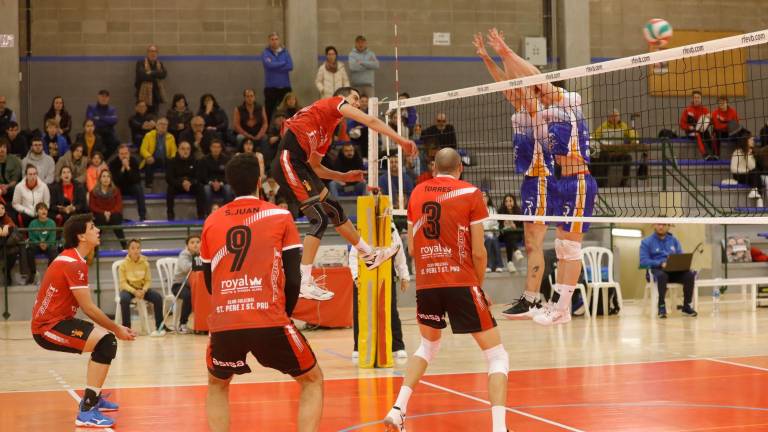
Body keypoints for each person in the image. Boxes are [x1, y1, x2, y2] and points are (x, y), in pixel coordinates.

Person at [383, 148, 508, 432]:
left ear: (433, 167)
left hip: (427, 282)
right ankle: (499, 428)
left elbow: (413, 248)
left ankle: (398, 409)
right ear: (460, 168)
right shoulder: (471, 193)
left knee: (428, 345)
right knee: (497, 355)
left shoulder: (416, 193)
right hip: (461, 281)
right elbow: (479, 252)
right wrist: (478, 287)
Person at [201, 153, 323, 432]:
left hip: (226, 321)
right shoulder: (280, 215)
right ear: (259, 181)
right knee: (312, 380)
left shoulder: (211, 221)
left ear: (229, 184)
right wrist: (284, 315)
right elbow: (294, 278)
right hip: (269, 318)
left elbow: (210, 281)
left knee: (218, 384)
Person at [271, 87, 417, 301]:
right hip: (287, 160)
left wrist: (344, 176)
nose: (357, 104)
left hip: (301, 165)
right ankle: (304, 281)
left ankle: (368, 255)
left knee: (334, 210)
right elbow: (372, 122)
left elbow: (316, 167)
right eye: (355, 99)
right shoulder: (334, 103)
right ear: (343, 97)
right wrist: (401, 141)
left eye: (358, 101)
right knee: (319, 219)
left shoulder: (327, 131)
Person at [30, 214, 136, 428]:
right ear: (81, 236)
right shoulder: (73, 263)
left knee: (104, 342)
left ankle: (93, 398)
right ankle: (86, 411)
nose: (97, 230)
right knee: (107, 341)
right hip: (47, 328)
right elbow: (88, 308)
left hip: (57, 322)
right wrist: (117, 329)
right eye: (92, 227)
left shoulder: (73, 258)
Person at [349, 223, 408, 360]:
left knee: (390, 310)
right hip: (363, 275)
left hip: (386, 273)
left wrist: (404, 275)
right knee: (361, 311)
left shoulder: (391, 229)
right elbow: (353, 256)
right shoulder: (363, 226)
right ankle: (359, 347)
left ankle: (397, 346)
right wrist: (356, 276)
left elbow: (399, 254)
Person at [639, 224, 698, 318]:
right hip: (656, 270)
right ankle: (661, 306)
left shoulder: (674, 240)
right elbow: (643, 261)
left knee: (689, 275)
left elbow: (680, 256)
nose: (661, 227)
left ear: (668, 226)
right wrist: (660, 263)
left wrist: (683, 264)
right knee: (662, 275)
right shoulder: (646, 242)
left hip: (673, 271)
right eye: (659, 224)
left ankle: (686, 306)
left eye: (664, 224)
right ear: (654, 225)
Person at [119, 239, 167, 336]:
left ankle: (160, 327)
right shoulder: (123, 264)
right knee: (124, 299)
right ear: (128, 250)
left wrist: (143, 290)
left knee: (157, 297)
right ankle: (127, 328)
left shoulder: (145, 263)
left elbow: (148, 281)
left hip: (142, 289)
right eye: (133, 248)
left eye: (138, 248)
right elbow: (123, 283)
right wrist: (134, 291)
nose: (136, 250)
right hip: (129, 289)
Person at [592, 108, 637, 187]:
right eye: (612, 116)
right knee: (602, 157)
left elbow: (632, 133)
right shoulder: (603, 126)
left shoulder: (623, 125)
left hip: (619, 154)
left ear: (619, 117)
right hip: (608, 154)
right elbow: (594, 137)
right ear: (608, 117)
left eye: (616, 116)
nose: (614, 118)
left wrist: (634, 140)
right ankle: (603, 183)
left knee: (628, 158)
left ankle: (624, 181)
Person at [166, 140, 206, 220]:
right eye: (183, 149)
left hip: (191, 186)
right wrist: (182, 183)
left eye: (188, 149)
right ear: (178, 150)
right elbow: (169, 178)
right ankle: (170, 214)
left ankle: (201, 214)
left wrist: (190, 182)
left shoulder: (195, 161)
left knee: (201, 187)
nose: (185, 151)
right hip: (177, 186)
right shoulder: (172, 161)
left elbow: (198, 177)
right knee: (170, 188)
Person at [89, 169, 126, 249]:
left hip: (113, 215)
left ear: (110, 179)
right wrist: (104, 213)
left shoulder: (116, 191)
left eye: (108, 176)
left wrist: (109, 213)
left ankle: (125, 246)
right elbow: (92, 206)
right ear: (100, 179)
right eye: (104, 176)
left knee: (116, 218)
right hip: (100, 215)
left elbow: (119, 206)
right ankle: (95, 249)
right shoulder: (94, 192)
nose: (106, 179)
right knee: (99, 219)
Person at [109, 144, 147, 221]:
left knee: (138, 188)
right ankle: (117, 216)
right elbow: (115, 181)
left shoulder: (134, 161)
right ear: (118, 154)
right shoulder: (113, 163)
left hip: (131, 186)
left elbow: (137, 179)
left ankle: (142, 216)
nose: (124, 156)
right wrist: (123, 169)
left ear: (129, 154)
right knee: (114, 190)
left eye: (126, 153)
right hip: (119, 187)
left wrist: (128, 168)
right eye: (122, 154)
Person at [171, 234, 200, 334]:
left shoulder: (201, 254)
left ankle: (201, 324)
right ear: (187, 245)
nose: (195, 245)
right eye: (192, 242)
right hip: (179, 285)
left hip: (193, 285)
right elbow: (186, 268)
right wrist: (198, 260)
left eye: (197, 242)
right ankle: (182, 324)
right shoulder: (184, 254)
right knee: (188, 296)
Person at [262, 32, 294, 121]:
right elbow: (268, 66)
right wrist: (283, 63)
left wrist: (274, 65)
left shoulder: (285, 52)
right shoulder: (266, 53)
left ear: (279, 40)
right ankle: (269, 131)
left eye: (276, 39)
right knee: (269, 111)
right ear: (269, 41)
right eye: (272, 39)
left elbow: (290, 66)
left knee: (288, 111)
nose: (274, 41)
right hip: (271, 87)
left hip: (285, 87)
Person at [24, 202, 57, 284]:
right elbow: (31, 237)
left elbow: (52, 238)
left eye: (45, 209)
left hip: (48, 245)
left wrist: (47, 244)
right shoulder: (32, 223)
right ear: (37, 212)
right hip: (37, 245)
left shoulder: (52, 223)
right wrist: (39, 243)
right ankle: (32, 273)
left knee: (54, 250)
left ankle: (50, 275)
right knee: (29, 250)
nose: (44, 211)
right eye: (41, 209)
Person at [139, 117, 176, 188]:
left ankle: (171, 183)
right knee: (149, 162)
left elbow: (174, 151)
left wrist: (172, 159)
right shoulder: (148, 135)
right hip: (153, 159)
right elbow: (143, 149)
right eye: (161, 124)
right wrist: (148, 156)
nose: (163, 126)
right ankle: (149, 184)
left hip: (165, 160)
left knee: (171, 162)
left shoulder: (171, 137)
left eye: (165, 124)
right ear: (156, 126)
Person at [730, 128, 764, 204]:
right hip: (738, 175)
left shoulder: (752, 152)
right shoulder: (737, 152)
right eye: (751, 140)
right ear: (746, 141)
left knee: (756, 172)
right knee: (756, 173)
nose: (753, 141)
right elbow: (733, 169)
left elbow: (752, 167)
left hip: (750, 174)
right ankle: (759, 198)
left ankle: (756, 193)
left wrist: (748, 155)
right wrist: (746, 171)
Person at [199, 138, 234, 213]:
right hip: (209, 184)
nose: (216, 149)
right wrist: (212, 183)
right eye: (214, 147)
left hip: (223, 183)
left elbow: (228, 175)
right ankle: (208, 213)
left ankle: (227, 212)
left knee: (228, 188)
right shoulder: (204, 160)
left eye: (218, 147)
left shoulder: (226, 159)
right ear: (210, 148)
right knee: (206, 189)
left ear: (221, 148)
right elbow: (203, 176)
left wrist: (221, 183)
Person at [679, 90, 715, 160]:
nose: (697, 99)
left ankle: (713, 154)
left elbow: (711, 122)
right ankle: (705, 155)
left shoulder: (705, 110)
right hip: (691, 132)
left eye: (698, 97)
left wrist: (710, 118)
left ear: (701, 99)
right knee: (697, 134)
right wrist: (689, 127)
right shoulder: (687, 110)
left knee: (708, 135)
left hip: (702, 131)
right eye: (695, 97)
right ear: (692, 99)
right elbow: (682, 124)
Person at [85, 90, 119, 158]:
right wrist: (107, 119)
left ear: (108, 98)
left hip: (108, 133)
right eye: (102, 96)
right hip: (95, 132)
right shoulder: (91, 107)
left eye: (106, 97)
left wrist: (100, 117)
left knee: (116, 142)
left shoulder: (112, 109)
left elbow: (114, 120)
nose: (104, 98)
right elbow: (91, 120)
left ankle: (105, 160)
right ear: (98, 97)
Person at [134, 44, 167, 114]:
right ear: (147, 53)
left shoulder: (160, 63)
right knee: (142, 115)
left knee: (154, 117)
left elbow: (164, 74)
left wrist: (151, 72)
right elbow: (142, 76)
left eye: (155, 51)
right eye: (151, 51)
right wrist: (157, 75)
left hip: (156, 96)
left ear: (157, 53)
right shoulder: (140, 63)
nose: (153, 53)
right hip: (143, 95)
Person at [497, 194, 524, 273]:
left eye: (510, 201)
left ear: (514, 202)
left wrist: (514, 226)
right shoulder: (500, 212)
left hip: (516, 235)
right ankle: (516, 251)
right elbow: (499, 228)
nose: (508, 203)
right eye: (506, 201)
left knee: (510, 236)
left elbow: (522, 229)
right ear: (504, 203)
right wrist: (504, 225)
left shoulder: (518, 212)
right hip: (504, 235)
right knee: (508, 234)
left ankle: (510, 262)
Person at [481, 191, 504, 273]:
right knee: (488, 240)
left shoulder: (493, 210)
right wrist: (483, 232)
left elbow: (496, 223)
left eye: (485, 196)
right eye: (482, 196)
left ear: (488, 198)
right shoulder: (476, 209)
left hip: (492, 233)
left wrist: (493, 230)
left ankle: (499, 265)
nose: (484, 198)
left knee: (493, 239)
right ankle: (488, 265)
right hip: (481, 235)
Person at [0, 140, 22, 205]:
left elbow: (15, 178)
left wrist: (7, 186)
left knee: (17, 189)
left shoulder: (14, 160)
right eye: (0, 147)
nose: (2, 149)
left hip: (12, 187)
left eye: (4, 147)